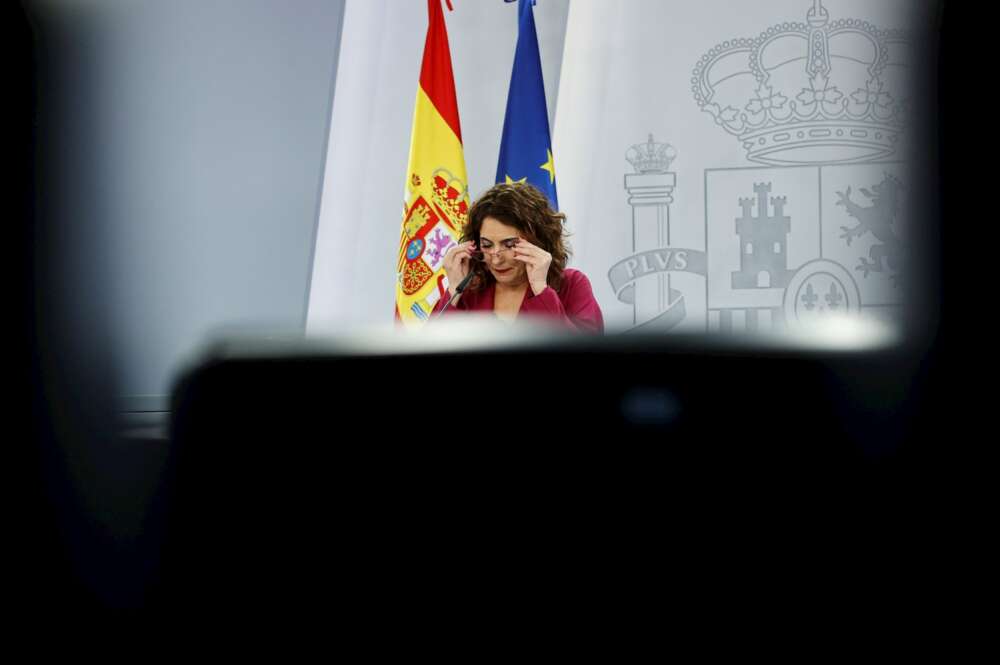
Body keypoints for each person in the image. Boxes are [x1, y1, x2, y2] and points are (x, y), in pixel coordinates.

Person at [433, 182, 604, 333]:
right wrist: (454, 290)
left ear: (538, 242)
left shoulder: (572, 284)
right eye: (487, 245)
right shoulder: (469, 290)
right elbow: (432, 346)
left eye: (509, 245)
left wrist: (540, 290)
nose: (496, 259)